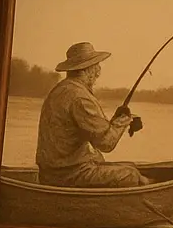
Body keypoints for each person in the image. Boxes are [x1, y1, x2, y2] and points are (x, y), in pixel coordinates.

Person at [35, 42, 146, 187]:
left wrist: (116, 120)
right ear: (85, 69)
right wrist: (124, 121)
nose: (99, 71)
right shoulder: (80, 97)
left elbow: (94, 133)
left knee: (131, 167)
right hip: (68, 175)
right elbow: (106, 143)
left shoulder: (61, 90)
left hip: (52, 173)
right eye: (96, 65)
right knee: (131, 174)